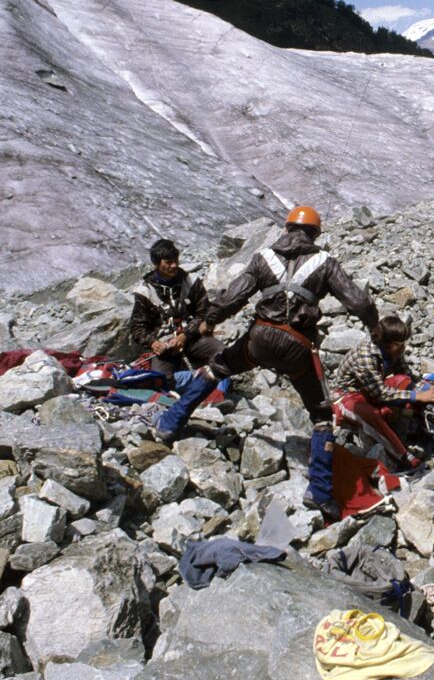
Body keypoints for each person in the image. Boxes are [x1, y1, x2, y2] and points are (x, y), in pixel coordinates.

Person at [150, 206, 378, 522]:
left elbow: (232, 297)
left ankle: (169, 423)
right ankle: (320, 494)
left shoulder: (263, 258)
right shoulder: (325, 262)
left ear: (286, 230)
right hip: (297, 347)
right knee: (322, 414)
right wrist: (376, 329)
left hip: (259, 340)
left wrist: (207, 323)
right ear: (315, 234)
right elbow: (359, 302)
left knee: (216, 368)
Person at [330, 314, 434, 470]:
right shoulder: (366, 357)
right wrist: (418, 396)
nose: (403, 347)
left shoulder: (394, 351)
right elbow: (380, 393)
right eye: (400, 344)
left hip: (370, 390)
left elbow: (408, 376)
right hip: (346, 397)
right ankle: (402, 455)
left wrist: (429, 388)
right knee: (371, 415)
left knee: (402, 379)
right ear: (387, 343)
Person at [129, 238, 224, 377]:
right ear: (156, 264)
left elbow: (203, 312)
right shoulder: (145, 291)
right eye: (168, 262)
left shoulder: (191, 281)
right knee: (160, 378)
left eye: (176, 260)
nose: (174, 265)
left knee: (221, 353)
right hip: (165, 346)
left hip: (193, 338)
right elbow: (137, 327)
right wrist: (153, 343)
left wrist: (185, 336)